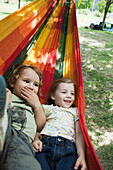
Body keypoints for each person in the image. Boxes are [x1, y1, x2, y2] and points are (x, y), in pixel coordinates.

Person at [34, 78, 87, 170]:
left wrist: (82, 156)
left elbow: (79, 134)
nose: (69, 96)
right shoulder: (45, 108)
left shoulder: (75, 111)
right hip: (44, 147)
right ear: (53, 95)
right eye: (64, 92)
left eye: (72, 93)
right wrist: (35, 139)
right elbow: (36, 126)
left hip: (68, 149)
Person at [0, 64, 46, 170]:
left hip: (21, 142)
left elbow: (40, 126)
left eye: (35, 85)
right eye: (26, 81)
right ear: (13, 82)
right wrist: (6, 102)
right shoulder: (8, 94)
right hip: (4, 126)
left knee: (27, 165)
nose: (30, 87)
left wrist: (37, 106)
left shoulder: (35, 106)